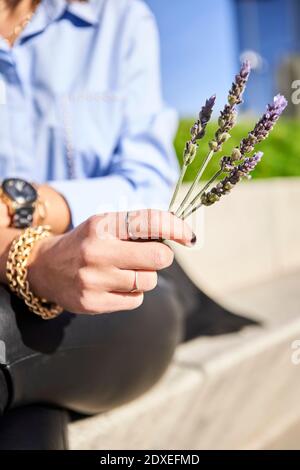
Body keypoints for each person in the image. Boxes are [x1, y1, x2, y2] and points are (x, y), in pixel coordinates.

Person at [0, 0, 196, 449]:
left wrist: (20, 204)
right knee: (30, 395)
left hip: (97, 284)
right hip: (24, 313)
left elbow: (145, 185)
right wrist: (28, 255)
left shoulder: (119, 20)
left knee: (141, 309)